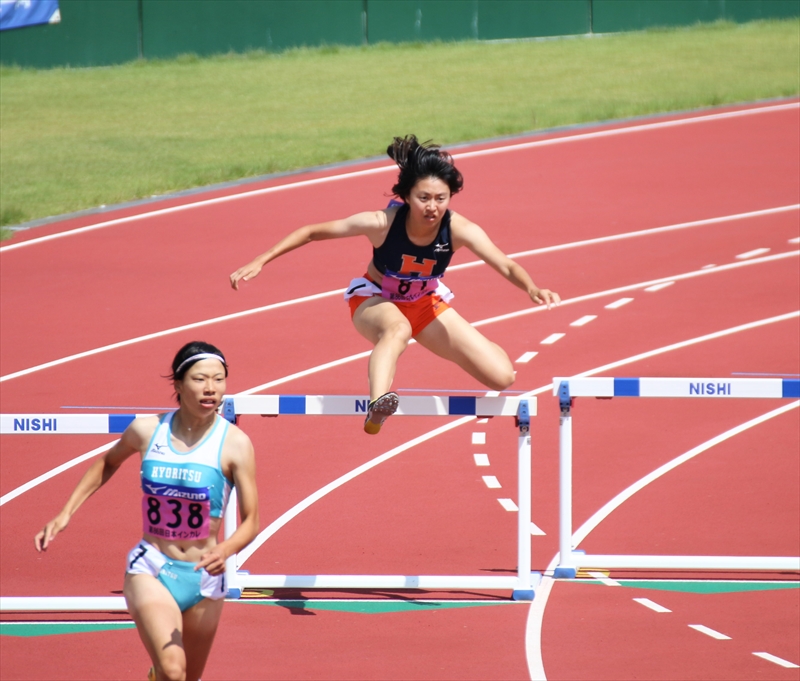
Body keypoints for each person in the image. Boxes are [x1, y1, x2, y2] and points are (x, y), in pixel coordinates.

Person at [230, 135, 560, 434]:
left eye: (440, 198)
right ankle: (379, 404)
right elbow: (312, 231)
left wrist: (532, 287)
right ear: (406, 196)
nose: (432, 207)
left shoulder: (460, 229)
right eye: (424, 198)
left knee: (502, 377)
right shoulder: (382, 223)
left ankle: (484, 350)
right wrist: (262, 259)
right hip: (375, 302)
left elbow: (504, 263)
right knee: (397, 330)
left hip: (426, 305)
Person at [35, 341, 259, 681]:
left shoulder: (236, 444)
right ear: (179, 384)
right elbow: (106, 463)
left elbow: (252, 520)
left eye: (218, 379)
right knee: (174, 670)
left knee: (185, 678)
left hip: (205, 576)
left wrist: (226, 549)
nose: (210, 388)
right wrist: (65, 513)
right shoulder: (147, 430)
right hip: (153, 566)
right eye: (200, 379)